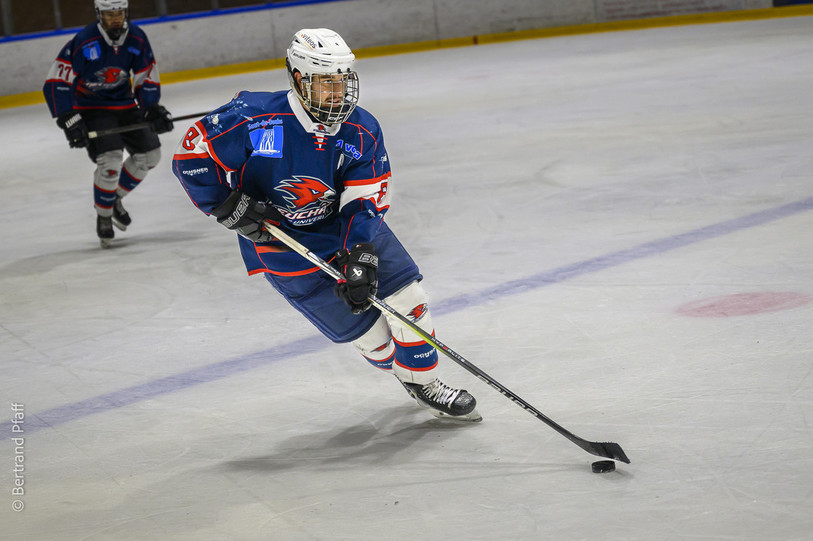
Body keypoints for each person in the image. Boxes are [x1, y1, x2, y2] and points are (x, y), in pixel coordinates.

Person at [171, 28, 480, 422]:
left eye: (343, 81)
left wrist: (362, 253)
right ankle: (406, 374)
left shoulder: (362, 129)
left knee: (409, 301)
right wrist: (228, 206)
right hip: (279, 243)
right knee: (373, 339)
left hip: (347, 228)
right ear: (299, 80)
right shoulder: (252, 117)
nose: (338, 93)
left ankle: (428, 383)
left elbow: (365, 199)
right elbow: (191, 159)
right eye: (325, 83)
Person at [43, 0, 173, 248]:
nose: (115, 18)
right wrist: (69, 118)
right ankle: (103, 217)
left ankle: (111, 200)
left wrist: (151, 108)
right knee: (111, 160)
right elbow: (56, 80)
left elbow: (146, 74)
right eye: (109, 14)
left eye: (119, 13)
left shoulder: (136, 38)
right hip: (92, 109)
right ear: (99, 14)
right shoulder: (85, 41)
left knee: (151, 155)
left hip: (124, 105)